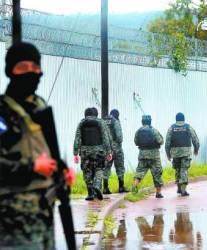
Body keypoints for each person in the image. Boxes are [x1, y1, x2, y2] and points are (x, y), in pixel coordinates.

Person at [0, 42, 75, 249]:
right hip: (11, 220)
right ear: (10, 71)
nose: (30, 72)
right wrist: (32, 167)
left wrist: (61, 170)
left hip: (43, 214)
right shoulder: (3, 112)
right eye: (22, 67)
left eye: (35, 67)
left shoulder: (39, 106)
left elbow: (47, 151)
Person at [73, 107, 112, 201]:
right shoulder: (100, 122)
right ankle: (97, 186)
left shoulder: (81, 123)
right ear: (95, 114)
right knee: (99, 169)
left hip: (85, 152)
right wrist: (109, 151)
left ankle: (90, 193)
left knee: (87, 171)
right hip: (99, 151)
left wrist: (75, 153)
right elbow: (105, 137)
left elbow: (77, 138)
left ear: (85, 114)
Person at [165, 112, 199, 196]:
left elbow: (167, 143)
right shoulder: (188, 127)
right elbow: (195, 139)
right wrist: (196, 149)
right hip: (186, 152)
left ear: (176, 119)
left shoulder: (171, 128)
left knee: (177, 169)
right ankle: (183, 190)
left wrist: (168, 154)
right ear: (184, 119)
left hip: (175, 153)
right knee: (184, 169)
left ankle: (179, 188)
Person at [132, 115, 164, 198]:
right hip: (154, 156)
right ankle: (158, 193)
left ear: (142, 122)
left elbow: (136, 142)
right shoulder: (153, 130)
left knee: (139, 172)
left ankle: (134, 186)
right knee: (157, 173)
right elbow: (161, 141)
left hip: (142, 155)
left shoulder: (138, 131)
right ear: (150, 121)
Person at [103, 109, 128, 194]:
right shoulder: (115, 121)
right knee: (120, 167)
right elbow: (119, 137)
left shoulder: (103, 121)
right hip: (116, 148)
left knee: (106, 168)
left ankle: (105, 188)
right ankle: (121, 187)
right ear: (117, 115)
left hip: (106, 148)